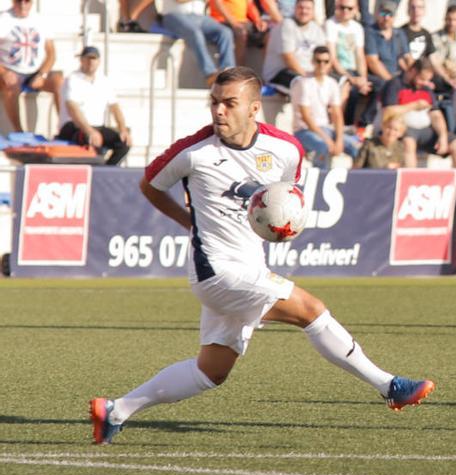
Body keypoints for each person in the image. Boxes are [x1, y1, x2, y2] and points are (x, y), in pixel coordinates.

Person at [89, 66, 434, 445]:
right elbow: (150, 185)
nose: (219, 111)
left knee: (211, 371)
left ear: (254, 108)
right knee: (312, 311)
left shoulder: (285, 149)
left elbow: (290, 198)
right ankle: (389, 385)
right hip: (217, 272)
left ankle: (116, 411)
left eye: (229, 103)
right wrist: (189, 222)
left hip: (250, 267)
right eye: (214, 103)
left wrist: (282, 223)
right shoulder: (194, 151)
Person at [380, 58, 456, 168]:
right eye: (421, 79)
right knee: (409, 142)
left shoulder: (425, 89)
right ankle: (410, 181)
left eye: (427, 80)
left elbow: (436, 115)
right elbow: (388, 111)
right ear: (412, 71)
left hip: (425, 131)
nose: (425, 83)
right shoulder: (394, 85)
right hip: (403, 129)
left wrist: (443, 136)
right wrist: (414, 106)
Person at [56, 47, 131, 166]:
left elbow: (115, 107)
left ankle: (107, 171)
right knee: (87, 138)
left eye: (94, 58)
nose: (91, 62)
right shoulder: (72, 79)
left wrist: (122, 129)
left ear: (98, 61)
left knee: (123, 143)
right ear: (81, 60)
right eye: (88, 58)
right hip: (74, 126)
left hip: (97, 127)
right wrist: (89, 131)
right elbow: (72, 108)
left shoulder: (104, 81)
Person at [0, 0, 64, 133]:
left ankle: (64, 127)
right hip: (9, 70)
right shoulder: (4, 19)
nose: (23, 5)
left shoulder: (41, 21)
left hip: (34, 72)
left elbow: (51, 53)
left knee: (59, 81)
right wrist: (3, 71)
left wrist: (42, 74)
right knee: (10, 84)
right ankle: (19, 131)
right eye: (19, 1)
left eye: (27, 1)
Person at [291, 47, 360, 168]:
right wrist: (329, 141)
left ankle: (361, 183)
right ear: (313, 61)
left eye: (326, 61)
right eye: (318, 61)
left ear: (330, 63)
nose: (322, 64)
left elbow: (337, 114)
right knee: (324, 146)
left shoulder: (332, 83)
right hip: (303, 131)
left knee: (356, 147)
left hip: (325, 129)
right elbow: (306, 117)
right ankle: (320, 181)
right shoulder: (304, 83)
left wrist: (338, 140)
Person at [159, 0, 235, 87]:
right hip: (173, 15)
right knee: (195, 33)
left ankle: (228, 74)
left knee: (225, 32)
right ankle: (210, 74)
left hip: (200, 17)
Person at [262, 0, 326, 94]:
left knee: (337, 83)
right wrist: (308, 76)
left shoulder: (316, 29)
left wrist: (319, 75)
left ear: (313, 11)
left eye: (308, 8)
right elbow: (288, 58)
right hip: (279, 73)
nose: (304, 11)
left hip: (307, 73)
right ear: (294, 9)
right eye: (301, 7)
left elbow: (323, 55)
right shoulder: (286, 25)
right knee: (305, 85)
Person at [325, 0, 371, 126]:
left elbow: (360, 56)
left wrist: (363, 79)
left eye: (349, 8)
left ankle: (362, 125)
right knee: (349, 88)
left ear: (356, 9)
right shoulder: (330, 24)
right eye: (342, 7)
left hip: (353, 71)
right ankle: (343, 125)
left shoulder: (357, 28)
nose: (345, 11)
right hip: (337, 71)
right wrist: (351, 78)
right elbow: (332, 58)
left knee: (380, 87)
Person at [431, 5, 456, 132]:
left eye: (455, 20)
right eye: (449, 19)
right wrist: (451, 78)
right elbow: (438, 63)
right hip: (441, 78)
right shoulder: (435, 37)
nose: (452, 23)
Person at [209, 0, 282, 65]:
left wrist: (257, 20)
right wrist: (234, 23)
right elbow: (217, 4)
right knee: (241, 32)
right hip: (221, 21)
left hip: (243, 22)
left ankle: (268, 73)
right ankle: (239, 74)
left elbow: (250, 5)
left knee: (266, 34)